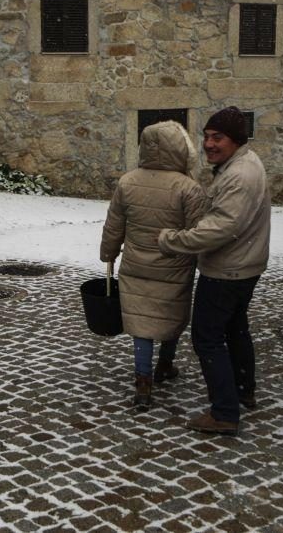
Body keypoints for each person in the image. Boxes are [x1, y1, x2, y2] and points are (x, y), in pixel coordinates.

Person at [158, 106, 271, 436]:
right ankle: (244, 389)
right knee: (235, 329)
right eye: (206, 137)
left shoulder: (238, 176)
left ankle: (224, 411)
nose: (209, 144)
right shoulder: (243, 164)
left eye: (217, 138)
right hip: (245, 264)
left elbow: (220, 228)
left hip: (227, 270)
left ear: (236, 139)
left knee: (206, 338)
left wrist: (171, 240)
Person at [100, 121, 208, 410]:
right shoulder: (189, 188)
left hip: (136, 266)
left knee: (143, 325)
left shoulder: (128, 182)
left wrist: (108, 254)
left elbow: (114, 226)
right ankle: (165, 365)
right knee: (170, 317)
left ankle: (143, 382)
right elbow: (196, 233)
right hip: (173, 268)